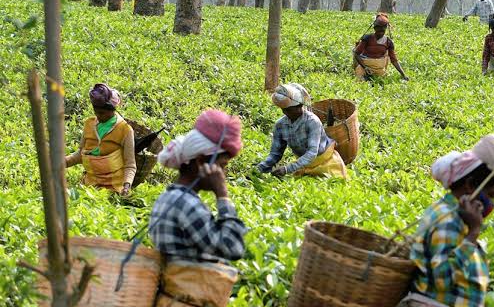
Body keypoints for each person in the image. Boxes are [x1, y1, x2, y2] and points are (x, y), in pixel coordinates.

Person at [397, 134, 494, 307]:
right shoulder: (446, 221)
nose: (491, 204)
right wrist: (473, 233)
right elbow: (442, 279)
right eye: (492, 195)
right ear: (471, 185)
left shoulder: (453, 215)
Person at [150, 109, 246, 263]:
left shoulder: (168, 197)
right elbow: (233, 248)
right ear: (201, 161)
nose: (223, 173)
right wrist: (223, 195)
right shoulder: (186, 204)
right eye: (222, 165)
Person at [256, 83, 347, 179]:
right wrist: (260, 168)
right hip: (303, 166)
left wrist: (287, 169)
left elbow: (312, 153)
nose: (287, 113)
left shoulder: (312, 121)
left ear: (300, 106)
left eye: (290, 110)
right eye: (284, 110)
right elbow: (275, 154)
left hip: (326, 164)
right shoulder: (280, 125)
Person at [65, 83, 136, 195]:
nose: (98, 116)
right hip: (89, 187)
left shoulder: (125, 130)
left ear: (113, 110)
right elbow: (80, 155)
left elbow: (130, 164)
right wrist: (62, 163)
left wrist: (126, 187)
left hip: (114, 188)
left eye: (102, 113)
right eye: (96, 112)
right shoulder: (89, 124)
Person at [353, 13, 409, 81]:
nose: (380, 32)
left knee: (381, 81)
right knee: (360, 80)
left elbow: (394, 60)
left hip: (379, 68)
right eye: (379, 29)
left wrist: (403, 74)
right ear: (375, 28)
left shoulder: (388, 42)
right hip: (364, 66)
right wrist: (365, 67)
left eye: (383, 30)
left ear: (385, 29)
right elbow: (356, 53)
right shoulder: (367, 38)